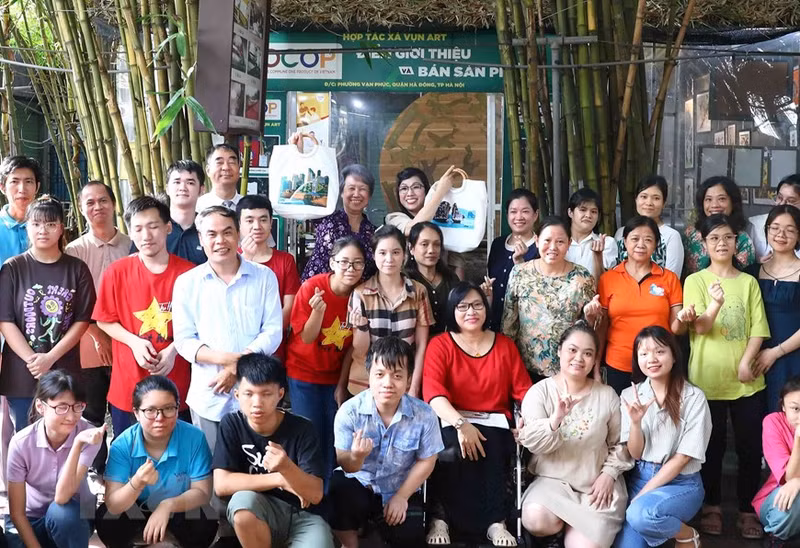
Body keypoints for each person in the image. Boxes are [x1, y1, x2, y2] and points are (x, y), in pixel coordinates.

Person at [679, 213, 770, 539]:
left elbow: (758, 329)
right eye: (714, 238)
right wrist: (715, 304)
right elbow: (700, 326)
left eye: (728, 237)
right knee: (711, 448)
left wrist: (747, 361)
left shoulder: (748, 282)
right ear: (704, 243)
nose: (721, 243)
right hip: (707, 379)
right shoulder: (695, 281)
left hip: (747, 380)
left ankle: (748, 510)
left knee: (749, 448)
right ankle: (712, 508)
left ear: (737, 242)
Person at [423, 282, 532, 547]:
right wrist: (461, 425)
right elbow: (434, 394)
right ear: (452, 311)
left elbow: (525, 392)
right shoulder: (440, 345)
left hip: (494, 421)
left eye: (477, 305)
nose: (471, 311)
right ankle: (440, 518)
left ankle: (496, 522)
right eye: (462, 306)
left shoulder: (505, 346)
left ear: (486, 308)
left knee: (494, 443)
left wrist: (528, 419)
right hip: (452, 418)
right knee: (448, 446)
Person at [173, 206, 282, 453]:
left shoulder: (264, 277)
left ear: (238, 235)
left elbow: (273, 331)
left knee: (256, 470)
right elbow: (184, 340)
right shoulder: (187, 283)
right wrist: (227, 360)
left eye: (227, 232)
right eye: (211, 234)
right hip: (209, 394)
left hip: (256, 395)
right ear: (201, 239)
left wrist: (237, 367)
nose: (220, 241)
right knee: (211, 474)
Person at [517, 322, 633, 548]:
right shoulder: (540, 392)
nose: (579, 358)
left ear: (594, 359)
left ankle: (573, 532)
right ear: (559, 351)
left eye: (588, 353)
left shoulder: (607, 395)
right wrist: (555, 420)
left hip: (596, 485)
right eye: (572, 350)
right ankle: (559, 530)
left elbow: (621, 443)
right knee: (536, 519)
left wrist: (609, 474)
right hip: (553, 482)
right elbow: (534, 445)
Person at [93, 196, 194, 437]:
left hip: (178, 386)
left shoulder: (190, 274)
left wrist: (174, 350)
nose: (146, 235)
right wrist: (134, 342)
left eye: (153, 226)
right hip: (128, 385)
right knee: (128, 460)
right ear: (130, 231)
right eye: (138, 228)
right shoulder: (117, 272)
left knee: (176, 462)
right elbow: (104, 319)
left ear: (168, 227)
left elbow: (201, 324)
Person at [330, 336, 443, 548]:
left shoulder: (424, 414)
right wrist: (356, 457)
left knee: (409, 535)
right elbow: (345, 463)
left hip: (399, 486)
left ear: (409, 380)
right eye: (380, 374)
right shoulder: (349, 411)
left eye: (397, 376)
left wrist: (402, 496)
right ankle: (350, 542)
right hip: (359, 483)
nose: (387, 383)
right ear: (369, 376)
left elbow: (428, 459)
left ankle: (375, 528)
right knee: (340, 493)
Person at [213, 353, 334, 548]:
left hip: (303, 515)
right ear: (237, 395)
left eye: (266, 394)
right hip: (260, 510)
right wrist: (280, 479)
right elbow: (221, 484)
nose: (257, 403)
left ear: (280, 394)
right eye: (248, 394)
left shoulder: (303, 428)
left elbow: (315, 494)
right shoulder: (232, 424)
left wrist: (286, 467)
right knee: (242, 502)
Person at [0, 196, 95, 431]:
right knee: (25, 438)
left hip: (64, 369)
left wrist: (50, 358)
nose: (43, 230)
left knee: (64, 435)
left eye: (51, 224)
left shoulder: (77, 269)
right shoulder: (13, 268)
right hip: (21, 374)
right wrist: (34, 361)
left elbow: (82, 320)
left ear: (61, 228)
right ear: (27, 227)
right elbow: (5, 320)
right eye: (36, 224)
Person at [614, 327, 712, 548]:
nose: (652, 359)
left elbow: (683, 458)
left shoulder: (694, 397)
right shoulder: (630, 396)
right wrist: (636, 423)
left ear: (674, 355)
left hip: (681, 483)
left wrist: (643, 495)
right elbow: (635, 453)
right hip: (640, 478)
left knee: (642, 514)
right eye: (644, 353)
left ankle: (686, 535)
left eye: (659, 351)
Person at [95, 375, 217, 548]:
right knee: (106, 518)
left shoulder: (194, 438)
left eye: (168, 408)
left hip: (178, 509)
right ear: (136, 413)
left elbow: (203, 493)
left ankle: (169, 540)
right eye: (150, 410)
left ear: (177, 408)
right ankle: (144, 541)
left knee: (205, 518)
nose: (160, 418)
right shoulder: (122, 445)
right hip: (137, 511)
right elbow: (113, 504)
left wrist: (168, 506)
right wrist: (137, 483)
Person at [286, 236, 366, 484]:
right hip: (303, 376)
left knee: (336, 438)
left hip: (334, 377)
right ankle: (308, 496)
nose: (350, 269)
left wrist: (342, 386)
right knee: (310, 436)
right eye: (344, 262)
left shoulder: (361, 295)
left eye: (357, 263)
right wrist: (318, 312)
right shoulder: (313, 288)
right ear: (332, 262)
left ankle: (330, 496)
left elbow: (352, 349)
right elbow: (307, 337)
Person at [65, 181, 131, 474]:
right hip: (86, 336)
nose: (97, 208)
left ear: (114, 204)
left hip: (127, 336)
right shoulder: (74, 250)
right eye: (90, 203)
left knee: (126, 406)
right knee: (91, 407)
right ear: (81, 208)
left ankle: (124, 465)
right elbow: (71, 301)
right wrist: (93, 334)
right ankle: (94, 468)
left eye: (103, 201)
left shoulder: (131, 245)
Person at [5, 370, 105, 548]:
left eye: (77, 406)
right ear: (40, 407)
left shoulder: (89, 436)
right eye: (62, 407)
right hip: (30, 518)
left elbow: (62, 497)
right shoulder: (21, 443)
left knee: (63, 513)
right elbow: (17, 513)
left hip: (72, 517)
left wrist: (77, 444)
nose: (71, 416)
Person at [502, 216, 597, 380]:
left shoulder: (582, 278)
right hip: (525, 368)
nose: (553, 247)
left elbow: (587, 329)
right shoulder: (520, 273)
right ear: (537, 240)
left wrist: (591, 318)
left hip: (569, 369)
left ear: (568, 243)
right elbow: (509, 323)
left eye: (560, 242)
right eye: (547, 240)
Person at [597, 216, 684, 393]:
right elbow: (602, 326)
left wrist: (685, 319)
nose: (641, 244)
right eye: (635, 239)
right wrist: (596, 365)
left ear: (656, 244)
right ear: (625, 242)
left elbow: (677, 328)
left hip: (657, 364)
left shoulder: (669, 279)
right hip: (619, 363)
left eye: (648, 239)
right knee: (621, 418)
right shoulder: (608, 279)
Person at [348, 225, 433, 397]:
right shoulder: (360, 294)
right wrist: (363, 327)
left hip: (404, 382)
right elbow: (358, 351)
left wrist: (414, 387)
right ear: (373, 255)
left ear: (404, 255)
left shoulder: (418, 292)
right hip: (366, 383)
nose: (389, 259)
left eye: (395, 252)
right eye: (382, 253)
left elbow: (422, 345)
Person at [748, 205, 800, 412]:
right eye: (775, 228)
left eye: (790, 229)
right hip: (756, 359)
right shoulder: (751, 272)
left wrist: (775, 353)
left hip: (793, 357)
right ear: (767, 231)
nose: (781, 234)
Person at [237, 194, 300, 360]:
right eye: (249, 220)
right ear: (239, 225)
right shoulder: (229, 259)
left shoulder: (285, 260)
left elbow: (289, 307)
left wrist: (267, 337)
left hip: (274, 349)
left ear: (271, 223)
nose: (257, 226)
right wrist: (246, 259)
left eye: (263, 220)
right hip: (237, 346)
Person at [301, 162, 377, 282]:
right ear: (341, 192)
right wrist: (305, 151)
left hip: (356, 297)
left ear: (370, 195)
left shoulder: (374, 233)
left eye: (362, 189)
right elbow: (306, 187)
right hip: (317, 292)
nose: (356, 194)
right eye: (351, 188)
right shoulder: (325, 217)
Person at [132, 160, 207, 264]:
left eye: (190, 183)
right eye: (177, 182)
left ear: (201, 190)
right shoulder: (151, 228)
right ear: (167, 188)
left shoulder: (207, 229)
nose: (182, 188)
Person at [754, 377, 800, 546]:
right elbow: (789, 477)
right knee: (794, 499)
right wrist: (799, 437)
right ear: (783, 407)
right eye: (795, 408)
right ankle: (777, 539)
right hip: (777, 499)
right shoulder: (773, 422)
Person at [487, 188, 540, 331]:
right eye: (513, 211)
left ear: (535, 215)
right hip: (493, 324)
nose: (519, 216)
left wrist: (521, 263)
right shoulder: (497, 245)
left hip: (525, 327)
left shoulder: (541, 248)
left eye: (525, 211)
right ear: (507, 215)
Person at [614, 175, 684, 277]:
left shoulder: (671, 236)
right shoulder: (621, 233)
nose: (649, 203)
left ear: (664, 203)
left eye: (656, 198)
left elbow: (672, 278)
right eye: (644, 197)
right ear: (636, 199)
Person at [683, 176, 756, 275]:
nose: (714, 205)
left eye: (721, 199)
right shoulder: (690, 235)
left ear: (733, 202)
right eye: (708, 199)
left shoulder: (742, 240)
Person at [405, 222, 460, 336]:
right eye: (424, 244)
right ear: (411, 248)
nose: (431, 250)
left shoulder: (451, 279)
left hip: (448, 345)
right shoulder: (405, 280)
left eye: (436, 244)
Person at [385, 166, 456, 236]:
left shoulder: (442, 217)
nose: (410, 193)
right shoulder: (393, 218)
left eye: (416, 187)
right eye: (404, 188)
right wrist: (441, 191)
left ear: (426, 190)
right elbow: (413, 229)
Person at [565, 187, 617, 280]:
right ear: (570, 212)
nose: (588, 215)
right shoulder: (559, 242)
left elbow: (606, 282)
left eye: (593, 211)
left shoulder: (607, 243)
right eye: (583, 210)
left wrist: (598, 257)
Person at [748, 174, 800, 262]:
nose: (782, 204)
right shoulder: (756, 224)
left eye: (791, 201)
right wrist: (757, 265)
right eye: (780, 198)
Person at [0, 155, 40, 263]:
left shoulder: (45, 226)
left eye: (28, 181)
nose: (22, 189)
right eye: (14, 182)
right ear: (2, 187)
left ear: (37, 187)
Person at [196, 144, 243, 212]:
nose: (226, 168)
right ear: (208, 170)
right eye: (219, 162)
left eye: (231, 162)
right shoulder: (197, 207)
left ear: (239, 169)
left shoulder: (250, 207)